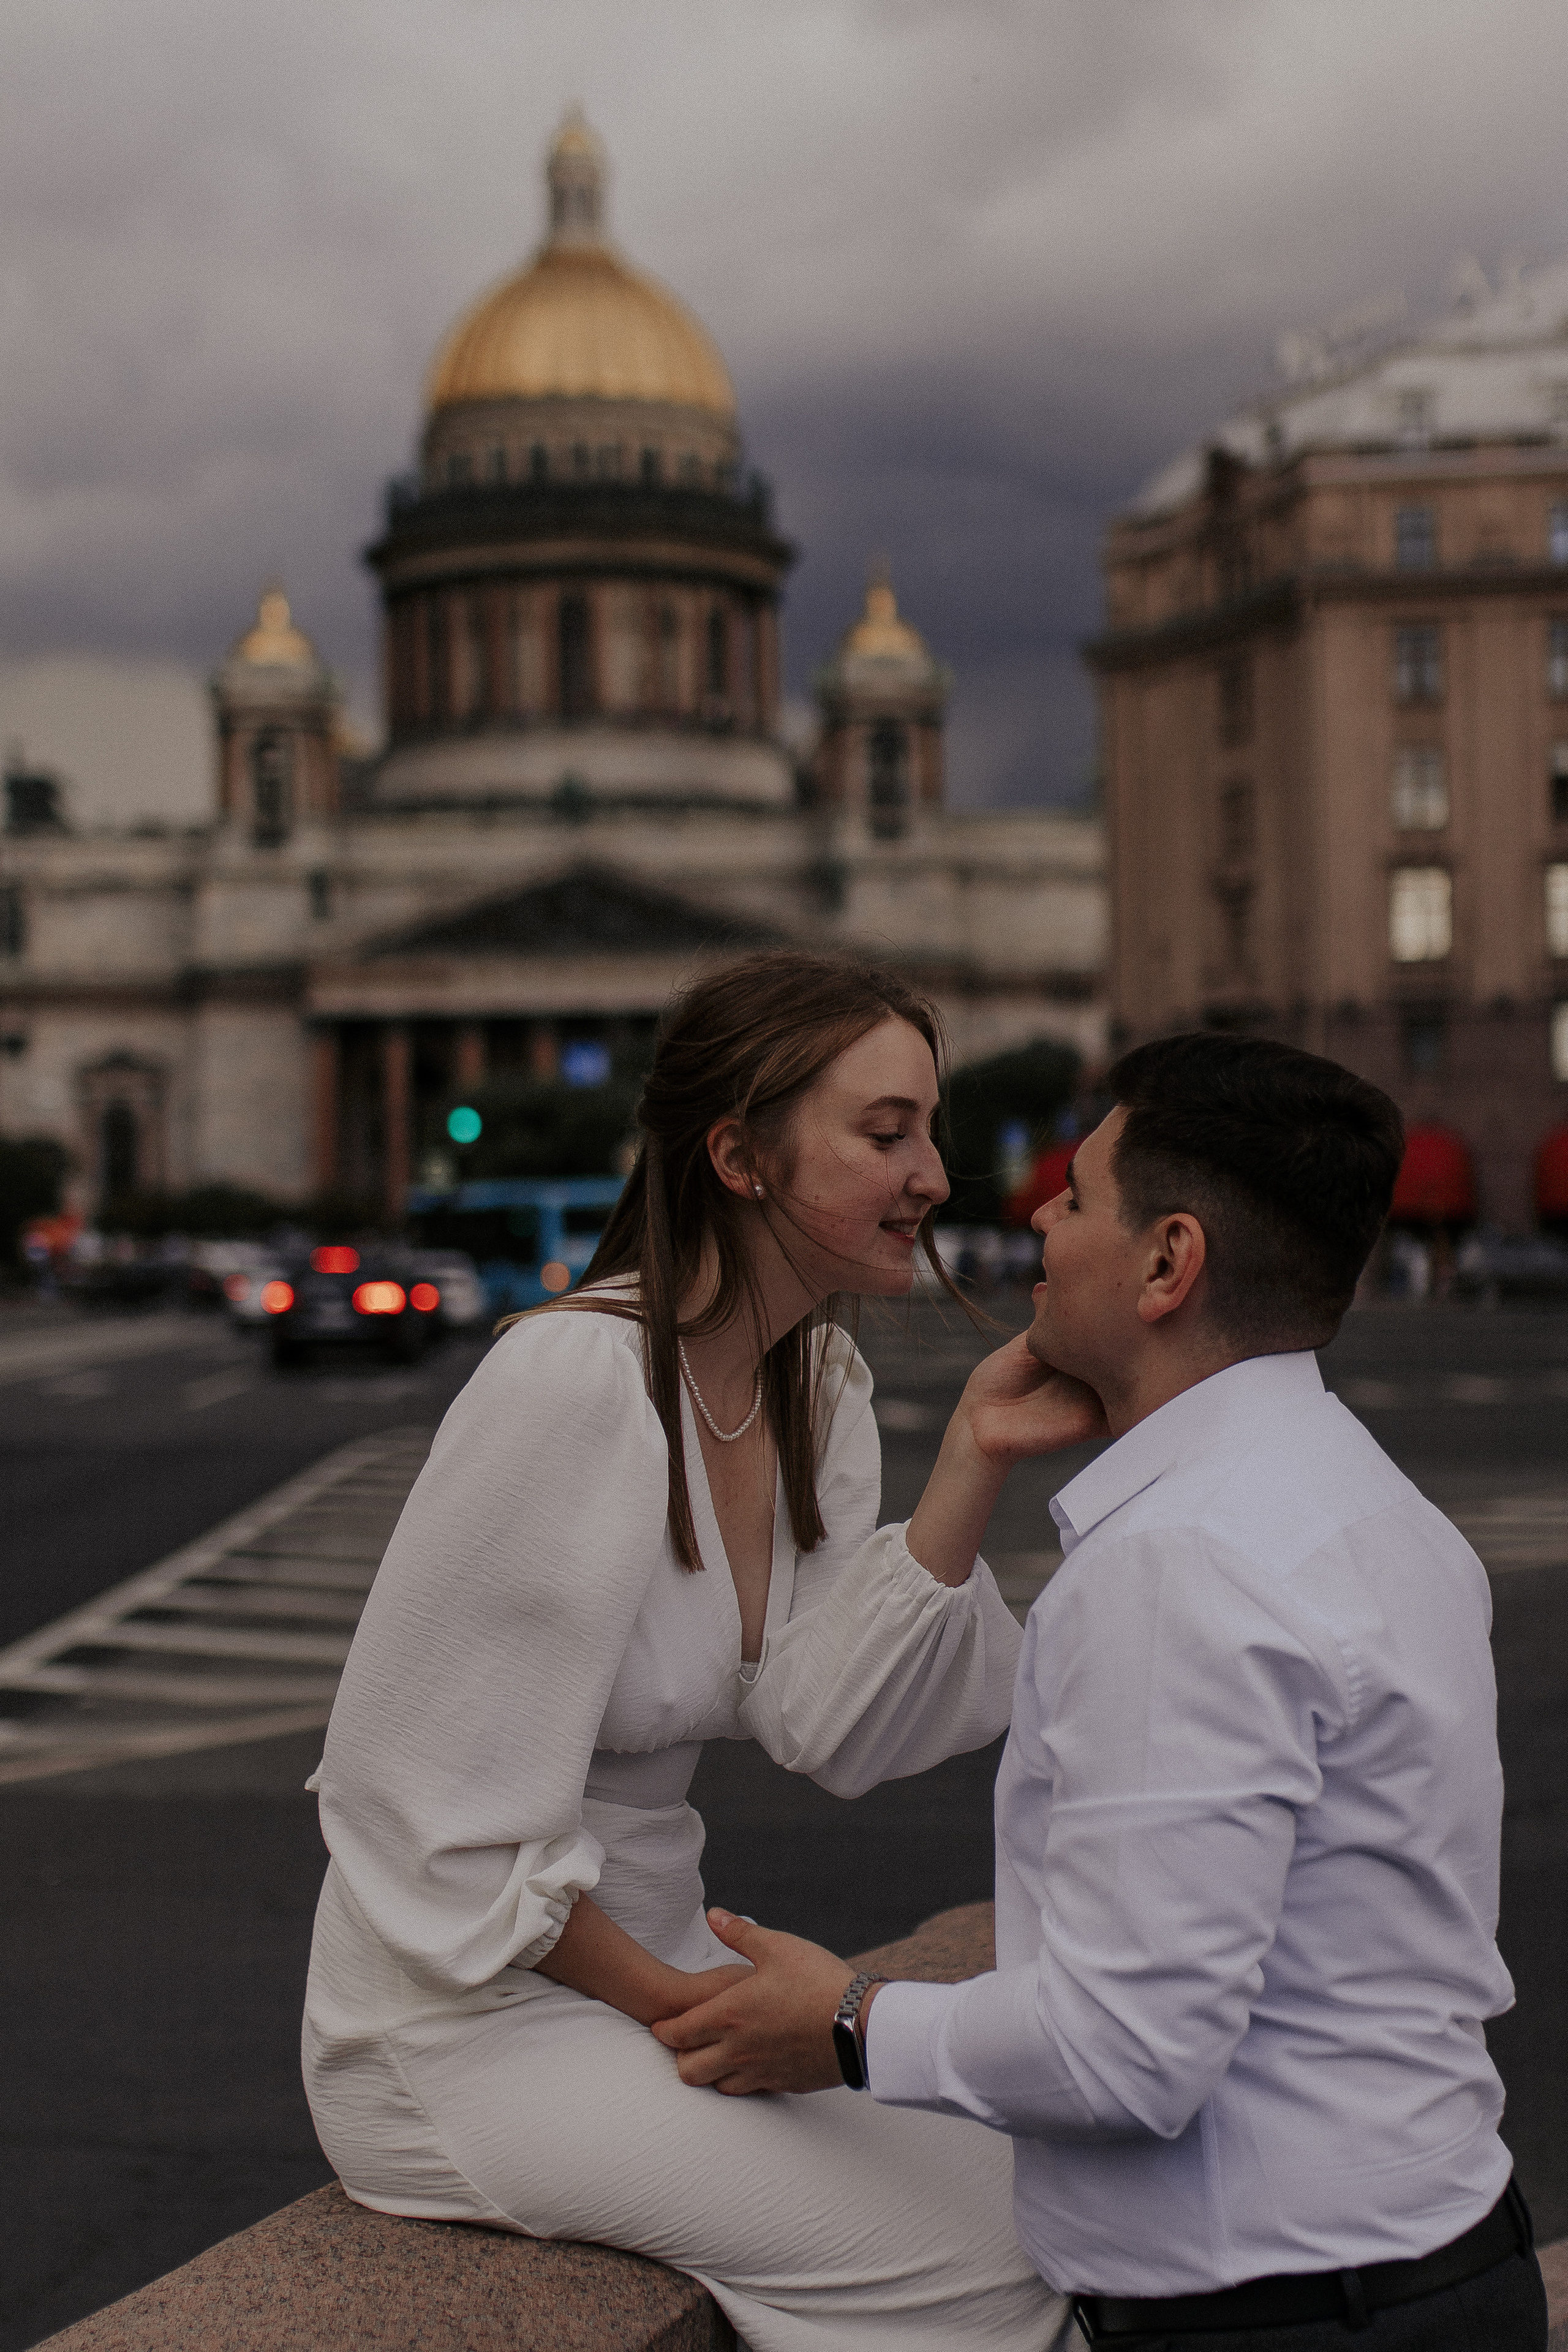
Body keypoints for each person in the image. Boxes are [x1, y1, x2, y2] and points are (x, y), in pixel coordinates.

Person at [657, 1033, 1551, 2351]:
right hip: (1433, 2256)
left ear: (1165, 1262)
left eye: (1074, 1197)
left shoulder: (1178, 1564)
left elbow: (1123, 2054)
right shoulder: (1368, 1502)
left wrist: (844, 2023)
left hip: (1272, 2313)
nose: (1034, 1216)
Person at [302, 951, 1099, 2352]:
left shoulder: (809, 1385)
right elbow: (420, 1805)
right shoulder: (574, 1379)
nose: (933, 1174)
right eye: (884, 1131)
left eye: (930, 1130)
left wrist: (973, 1450)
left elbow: (829, 1723)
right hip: (462, 2023)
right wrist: (693, 2009)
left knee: (1057, 2199)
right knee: (978, 2261)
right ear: (737, 1153)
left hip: (655, 1967)